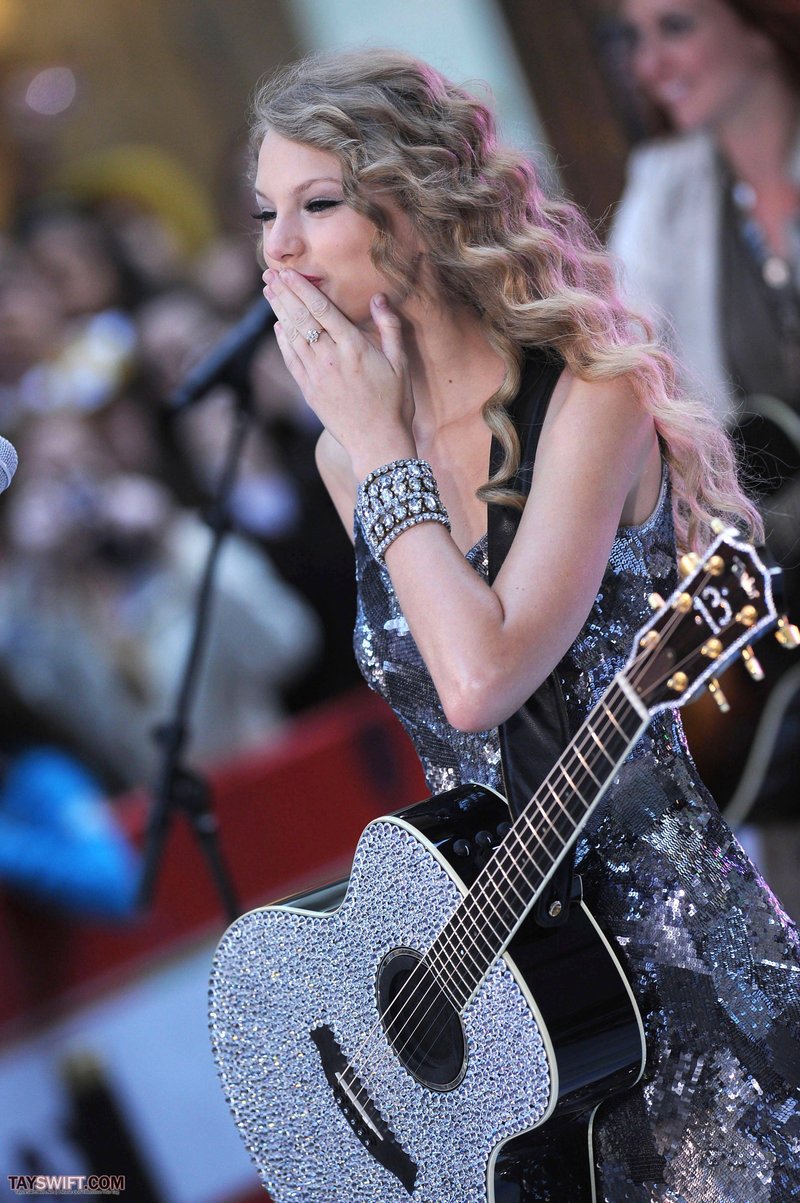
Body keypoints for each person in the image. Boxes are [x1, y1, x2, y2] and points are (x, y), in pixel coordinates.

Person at [224, 49, 800, 1200]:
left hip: (676, 984)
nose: (275, 249)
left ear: (420, 203)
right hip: (494, 1020)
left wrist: (381, 448)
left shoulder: (589, 392)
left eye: (316, 204)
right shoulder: (347, 454)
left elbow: (477, 680)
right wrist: (369, 444)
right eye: (262, 214)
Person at [607, 0, 800, 900]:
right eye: (634, 38)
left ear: (762, 23)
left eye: (675, 26)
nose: (651, 62)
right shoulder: (665, 194)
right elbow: (638, 394)